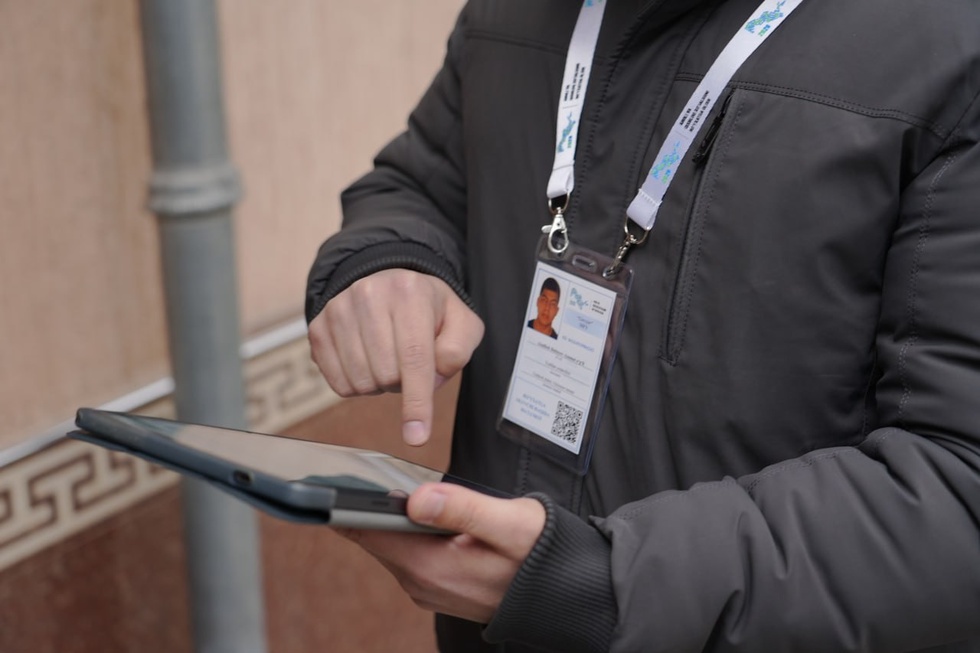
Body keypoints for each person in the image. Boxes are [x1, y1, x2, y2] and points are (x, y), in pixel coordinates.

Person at [306, 0, 980, 651]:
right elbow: (420, 181)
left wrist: (605, 583)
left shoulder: (952, 42)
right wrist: (388, 259)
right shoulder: (505, 15)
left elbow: (959, 485)